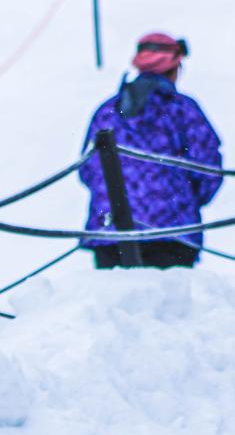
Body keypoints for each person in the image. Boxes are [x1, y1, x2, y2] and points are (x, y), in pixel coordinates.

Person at [79, 32, 223, 269]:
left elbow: (89, 168)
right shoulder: (182, 110)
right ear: (174, 68)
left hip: (110, 233)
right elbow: (207, 167)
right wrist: (183, 201)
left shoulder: (108, 111)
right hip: (173, 234)